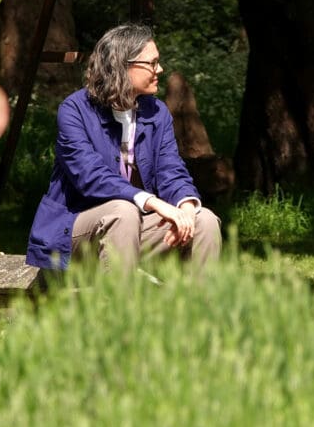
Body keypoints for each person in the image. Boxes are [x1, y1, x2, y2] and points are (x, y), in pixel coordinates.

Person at [26, 23, 222, 271]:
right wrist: (154, 202)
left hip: (133, 225)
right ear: (123, 66)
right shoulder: (74, 110)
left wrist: (185, 206)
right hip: (74, 228)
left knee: (203, 220)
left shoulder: (156, 111)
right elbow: (91, 177)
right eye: (152, 63)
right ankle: (119, 307)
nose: (159, 69)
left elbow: (171, 169)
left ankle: (199, 308)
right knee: (123, 211)